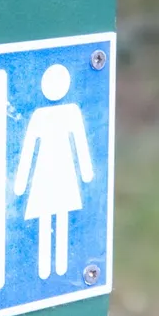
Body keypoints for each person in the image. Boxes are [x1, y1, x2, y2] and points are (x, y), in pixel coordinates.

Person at [13, 63, 95, 280]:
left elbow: (80, 143)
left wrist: (86, 173)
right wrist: (20, 183)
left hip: (63, 171)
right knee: (46, 217)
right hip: (45, 172)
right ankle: (43, 271)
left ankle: (60, 269)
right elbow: (29, 147)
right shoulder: (39, 115)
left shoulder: (70, 112)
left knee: (61, 216)